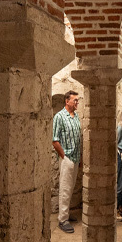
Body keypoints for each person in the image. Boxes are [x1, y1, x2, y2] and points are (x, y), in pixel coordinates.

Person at [52, 90, 81, 233]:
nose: (77, 102)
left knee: (71, 187)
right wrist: (64, 156)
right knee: (65, 188)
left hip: (75, 157)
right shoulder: (59, 116)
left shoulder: (76, 117)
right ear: (67, 101)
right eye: (75, 100)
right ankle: (62, 220)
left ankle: (66, 214)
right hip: (67, 158)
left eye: (77, 100)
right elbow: (55, 140)